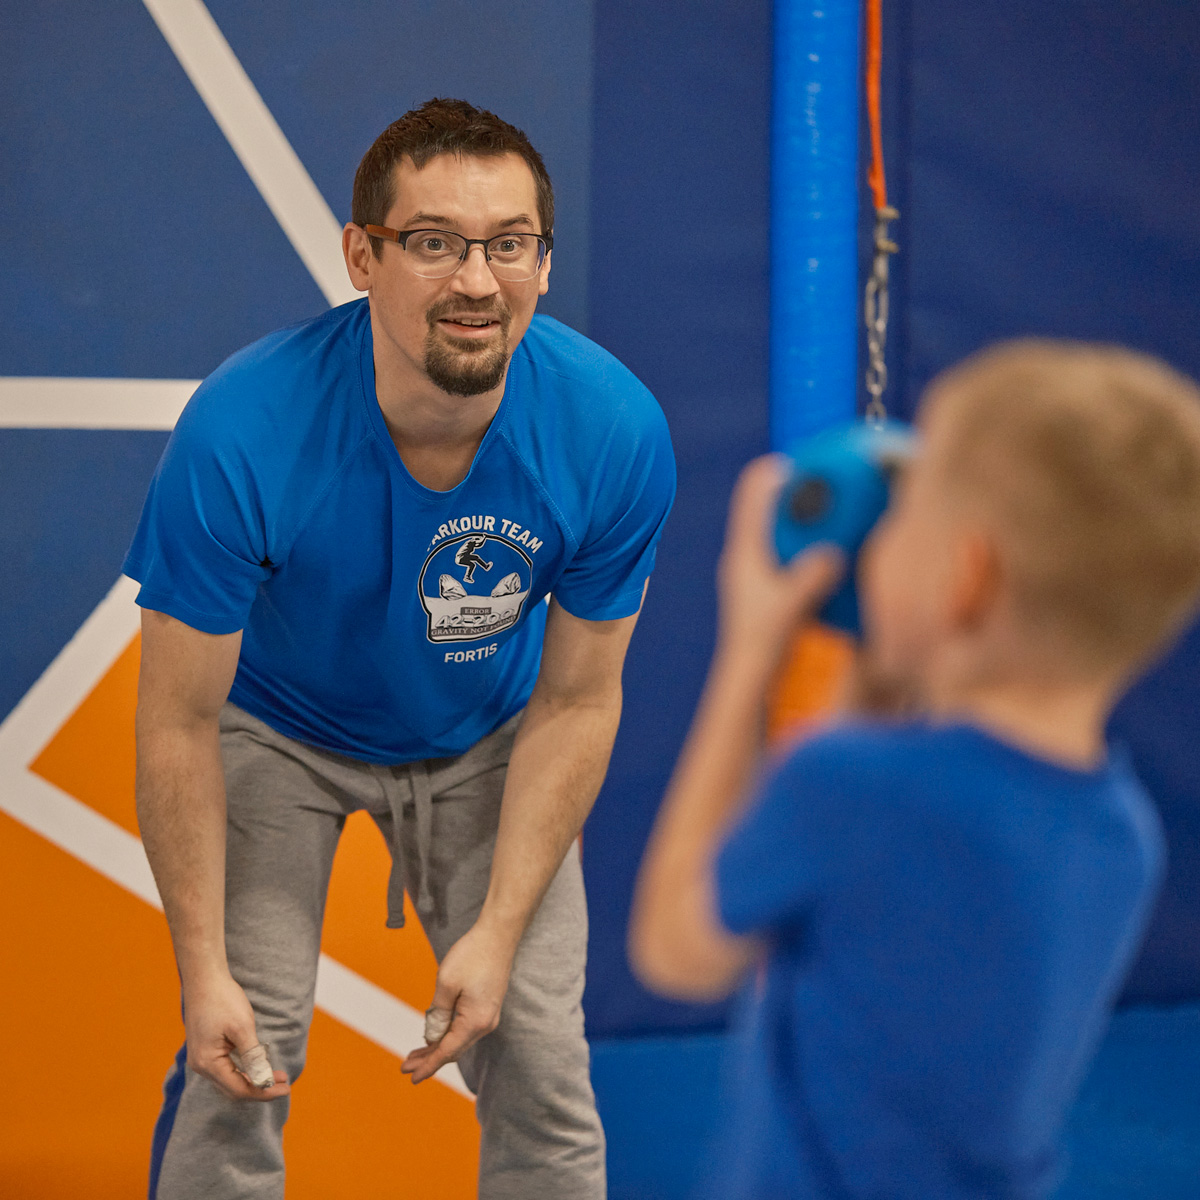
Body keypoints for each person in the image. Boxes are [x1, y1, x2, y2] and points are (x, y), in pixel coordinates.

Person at [126, 97, 675, 1200]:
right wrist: (204, 974)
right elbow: (180, 720)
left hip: (489, 737)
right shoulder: (246, 426)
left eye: (509, 244)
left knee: (537, 1052)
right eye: (433, 243)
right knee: (243, 1044)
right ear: (362, 256)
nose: (477, 280)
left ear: (544, 263)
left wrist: (498, 934)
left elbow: (578, 701)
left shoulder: (612, 429)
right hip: (278, 731)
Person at [630, 341, 1200, 1199]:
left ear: (967, 578)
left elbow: (679, 952)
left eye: (908, 516)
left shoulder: (850, 787)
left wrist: (750, 654)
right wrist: (881, 663)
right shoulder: (1122, 832)